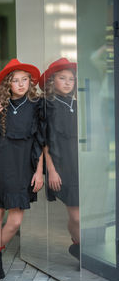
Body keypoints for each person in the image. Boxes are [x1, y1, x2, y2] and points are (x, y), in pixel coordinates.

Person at [0, 59, 44, 281]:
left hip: (24, 168)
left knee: (14, 221)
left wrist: (39, 171)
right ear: (8, 84)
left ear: (30, 82)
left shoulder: (37, 105)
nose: (21, 84)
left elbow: (40, 142)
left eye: (25, 79)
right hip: (0, 167)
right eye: (16, 80)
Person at [39, 58, 79, 259]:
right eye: (62, 78)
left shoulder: (77, 103)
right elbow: (44, 142)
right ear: (52, 81)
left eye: (71, 79)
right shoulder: (47, 105)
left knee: (82, 214)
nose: (67, 82)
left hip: (80, 163)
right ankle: (79, 245)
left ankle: (79, 247)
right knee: (76, 215)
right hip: (61, 166)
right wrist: (51, 170)